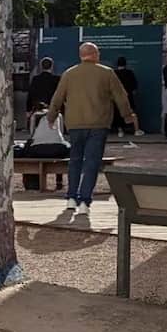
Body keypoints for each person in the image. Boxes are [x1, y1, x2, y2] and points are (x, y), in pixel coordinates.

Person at [47, 42, 137, 218]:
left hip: (75, 124)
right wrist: (127, 116)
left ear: (81, 55)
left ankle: (71, 198)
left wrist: (51, 117)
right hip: (98, 123)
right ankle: (84, 201)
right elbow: (121, 96)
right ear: (96, 54)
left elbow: (57, 98)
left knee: (75, 160)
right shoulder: (106, 73)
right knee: (92, 162)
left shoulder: (69, 74)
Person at [113, 57, 139, 137]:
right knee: (132, 113)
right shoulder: (129, 72)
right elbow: (134, 85)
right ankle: (136, 130)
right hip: (128, 96)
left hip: (117, 96)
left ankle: (120, 131)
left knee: (118, 114)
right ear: (125, 64)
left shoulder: (114, 73)